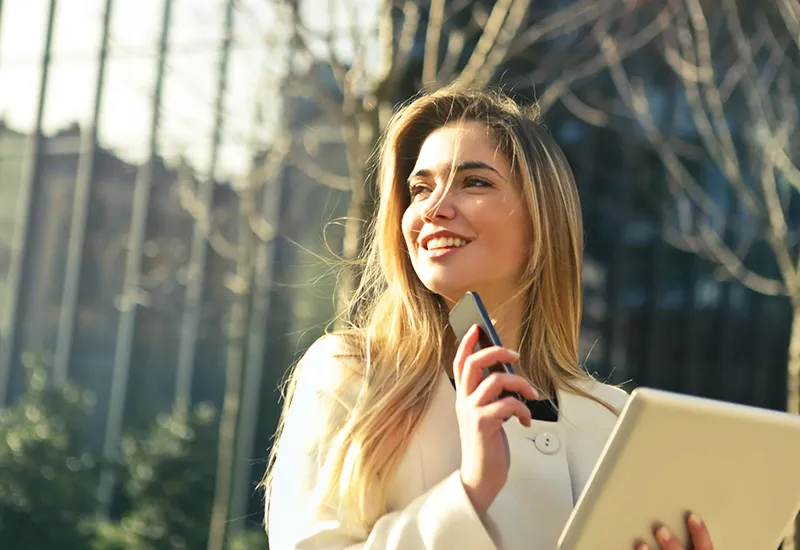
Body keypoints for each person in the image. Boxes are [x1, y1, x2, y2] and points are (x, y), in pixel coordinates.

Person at [261, 86, 715, 550]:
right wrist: (469, 491)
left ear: (542, 220)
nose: (433, 208)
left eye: (474, 182)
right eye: (420, 188)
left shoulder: (613, 418)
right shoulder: (353, 373)